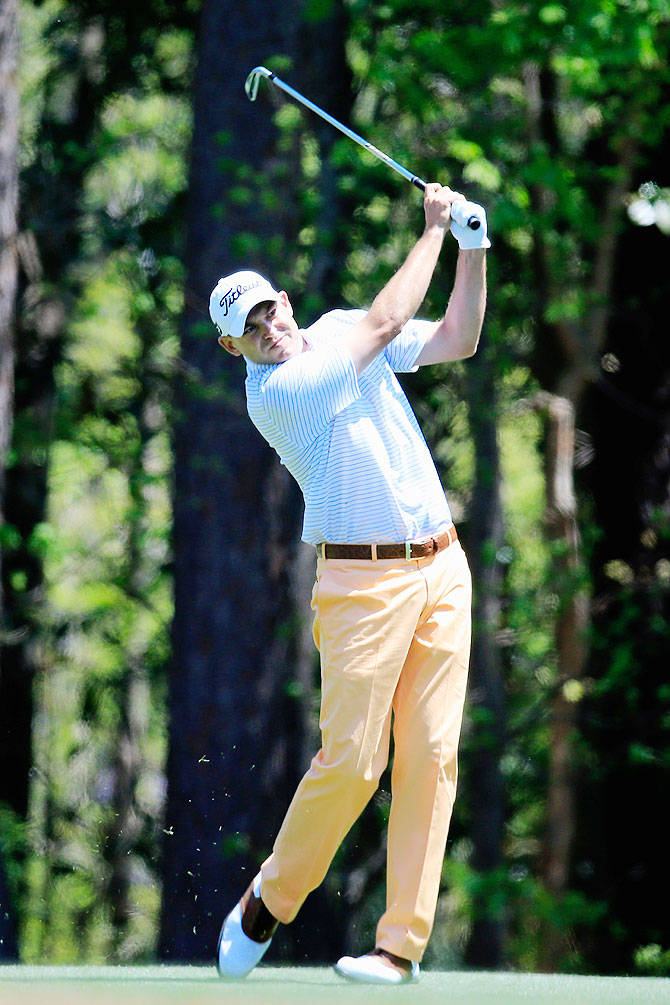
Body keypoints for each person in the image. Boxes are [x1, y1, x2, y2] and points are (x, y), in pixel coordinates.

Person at [209, 183, 489, 985]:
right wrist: (434, 227)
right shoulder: (279, 395)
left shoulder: (333, 331)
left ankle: (398, 946)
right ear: (235, 349)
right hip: (361, 585)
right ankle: (271, 896)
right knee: (355, 761)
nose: (270, 329)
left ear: (286, 301)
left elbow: (458, 339)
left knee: (433, 755)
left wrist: (473, 248)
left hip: (442, 566)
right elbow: (389, 320)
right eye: (250, 328)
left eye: (270, 311)